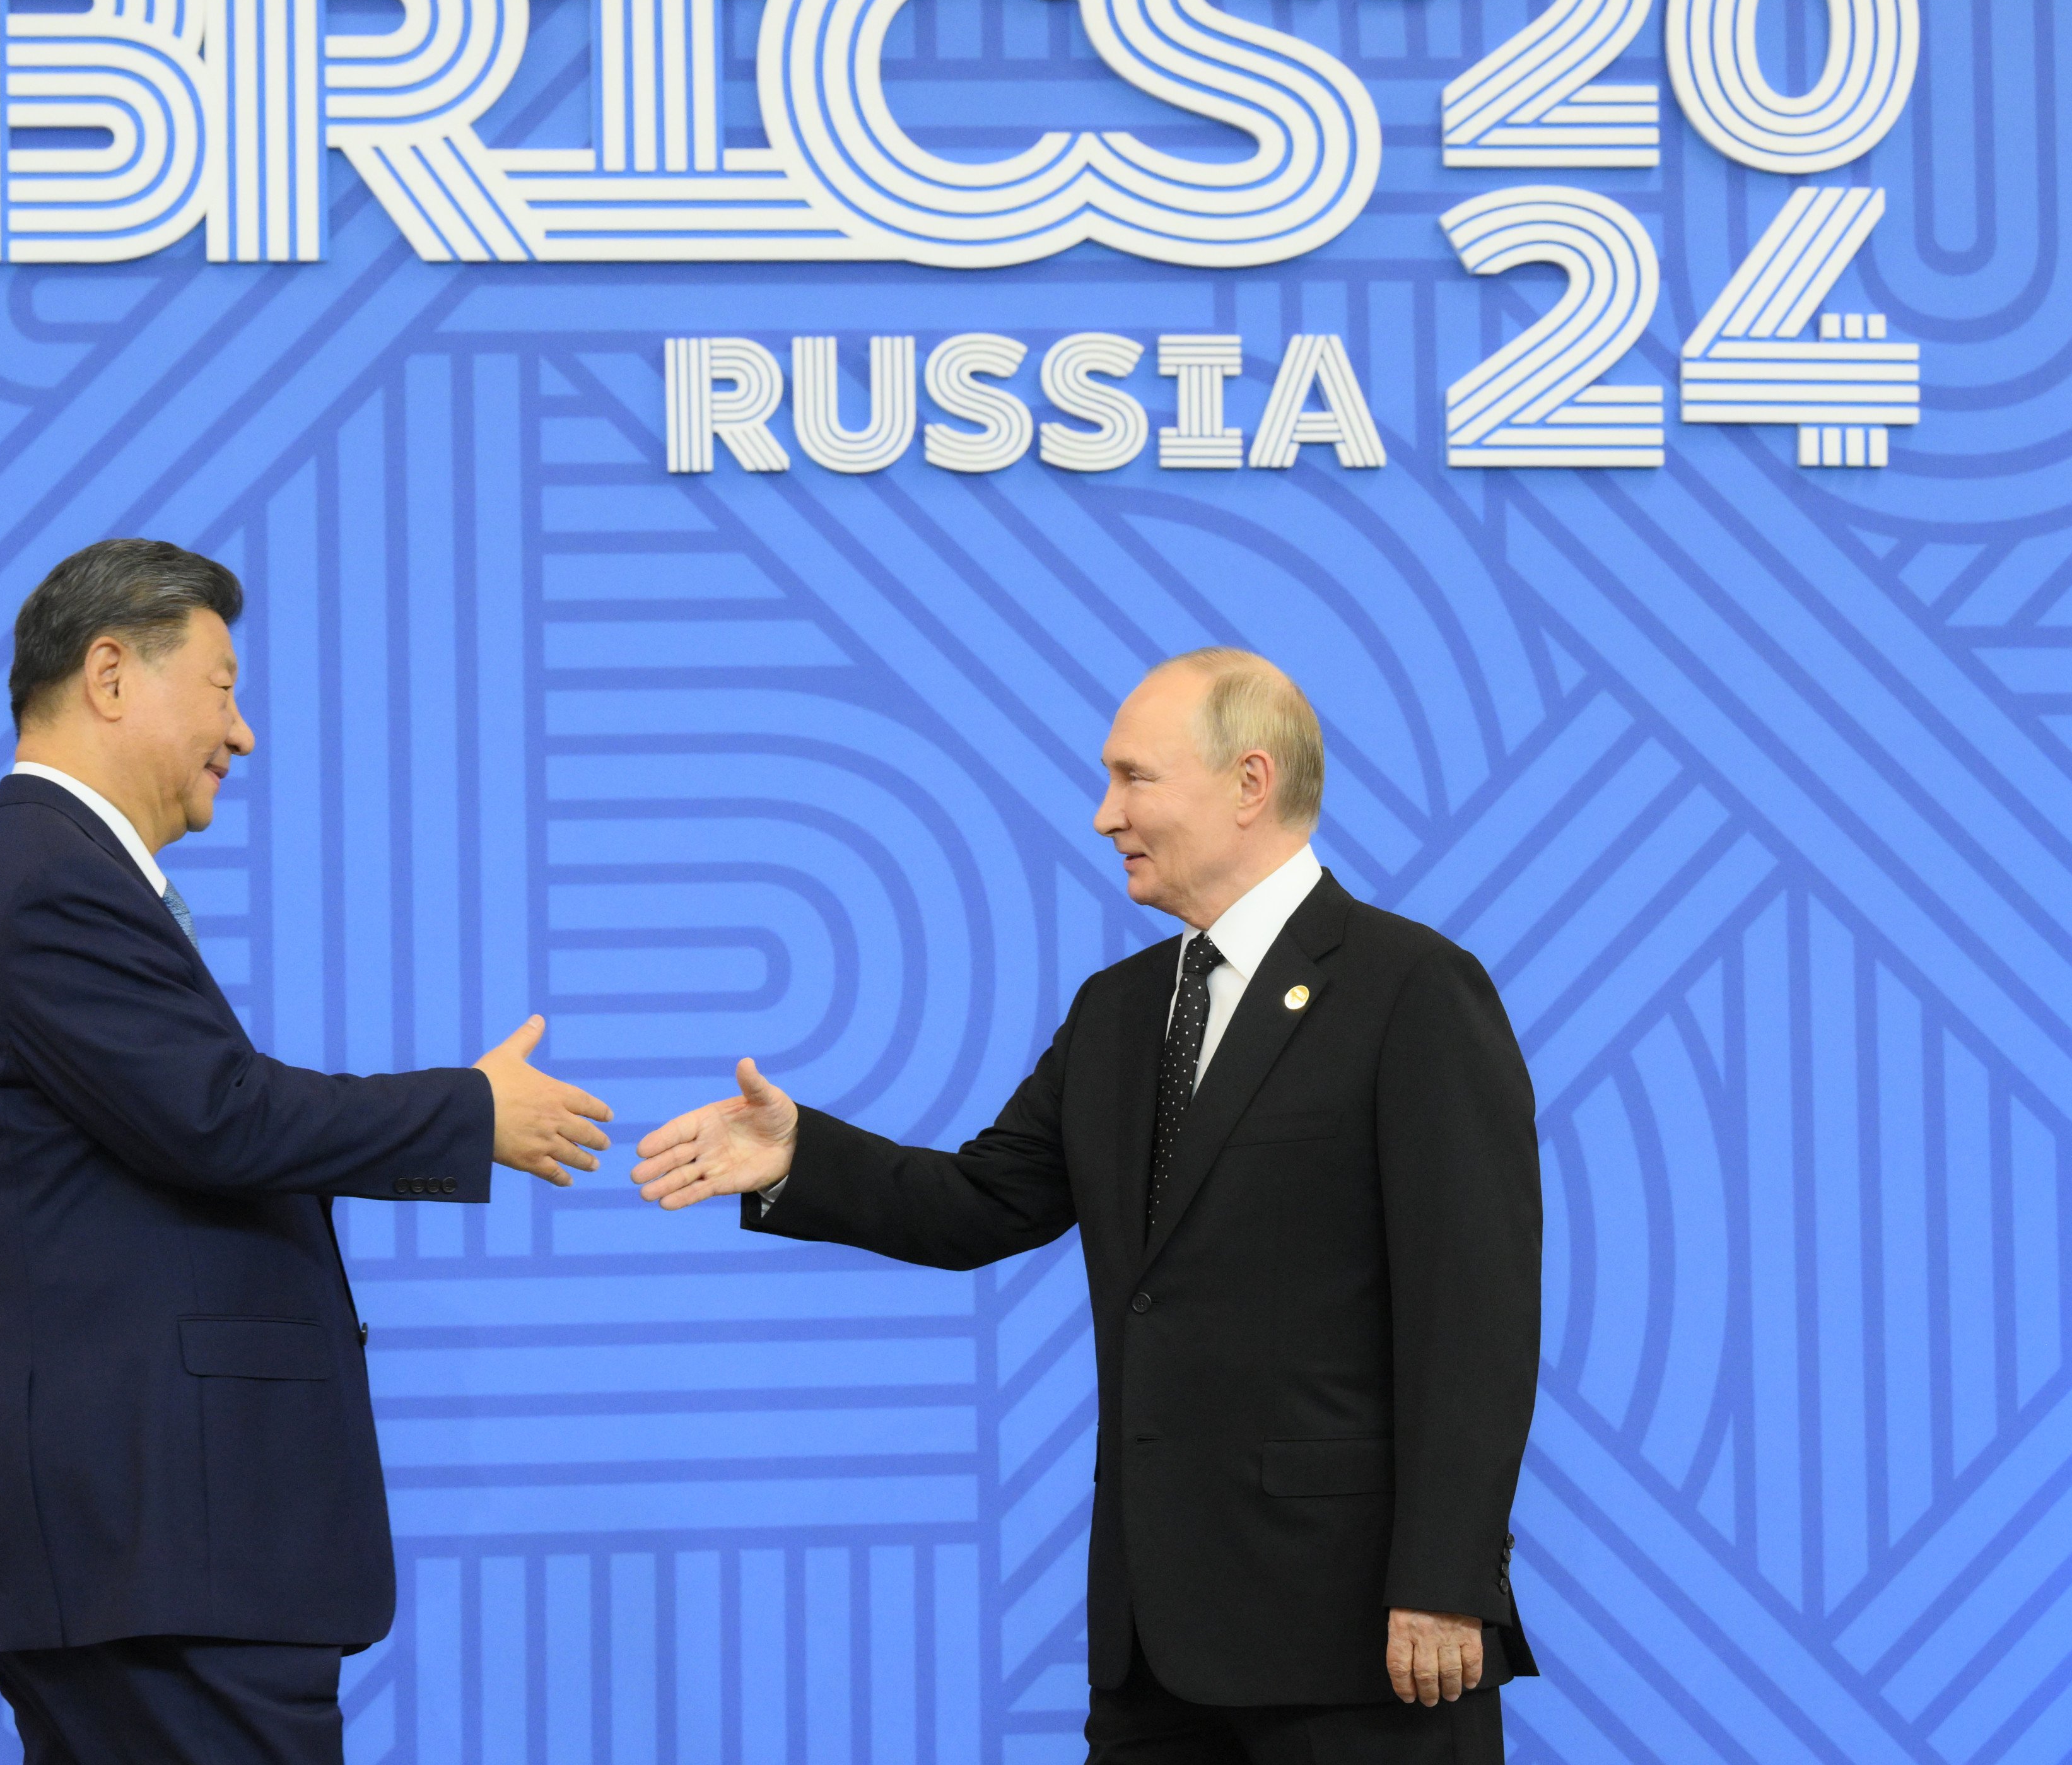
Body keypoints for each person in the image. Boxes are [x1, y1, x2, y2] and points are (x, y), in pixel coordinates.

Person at [633, 648, 1542, 1764]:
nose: (1105, 813)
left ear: (1250, 783)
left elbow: (1476, 1313)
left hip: (1359, 1633)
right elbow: (978, 1201)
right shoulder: (1119, 1012)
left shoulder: (1412, 989)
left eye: (1134, 778)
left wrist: (1447, 1580)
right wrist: (796, 1156)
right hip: (1154, 1644)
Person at [0, 539, 612, 1764]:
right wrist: (466, 1111)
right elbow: (217, 1115)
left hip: (149, 1560)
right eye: (224, 687)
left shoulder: (36, 875)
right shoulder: (44, 881)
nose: (243, 735)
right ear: (111, 675)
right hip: (161, 1555)